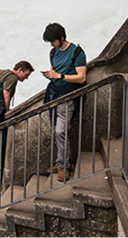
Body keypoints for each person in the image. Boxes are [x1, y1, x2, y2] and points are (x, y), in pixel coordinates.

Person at [42, 23, 87, 182]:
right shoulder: (53, 52)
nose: (51, 44)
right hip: (54, 94)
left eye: (53, 41)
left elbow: (82, 77)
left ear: (61, 38)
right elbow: (55, 69)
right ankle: (60, 161)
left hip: (68, 96)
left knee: (61, 131)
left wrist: (59, 76)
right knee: (56, 129)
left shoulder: (77, 52)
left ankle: (65, 165)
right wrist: (51, 75)